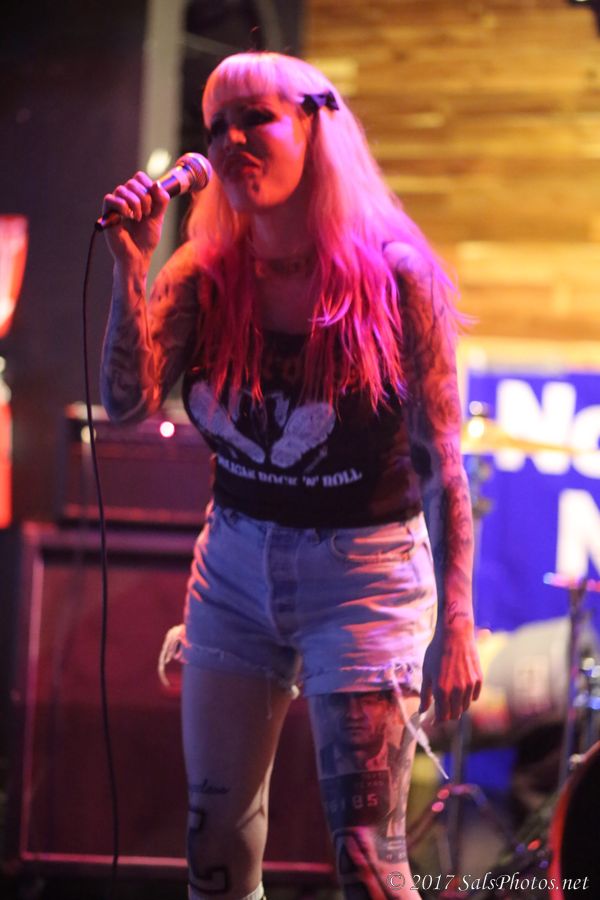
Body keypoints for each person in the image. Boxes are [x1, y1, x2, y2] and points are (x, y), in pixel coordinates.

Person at [100, 51, 482, 900]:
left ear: (315, 127)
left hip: (366, 572)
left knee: (366, 859)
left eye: (256, 120)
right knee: (214, 851)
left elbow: (441, 462)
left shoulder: (396, 274)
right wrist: (132, 264)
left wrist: (457, 621)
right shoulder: (201, 273)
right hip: (236, 569)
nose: (232, 141)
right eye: (217, 127)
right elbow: (125, 404)